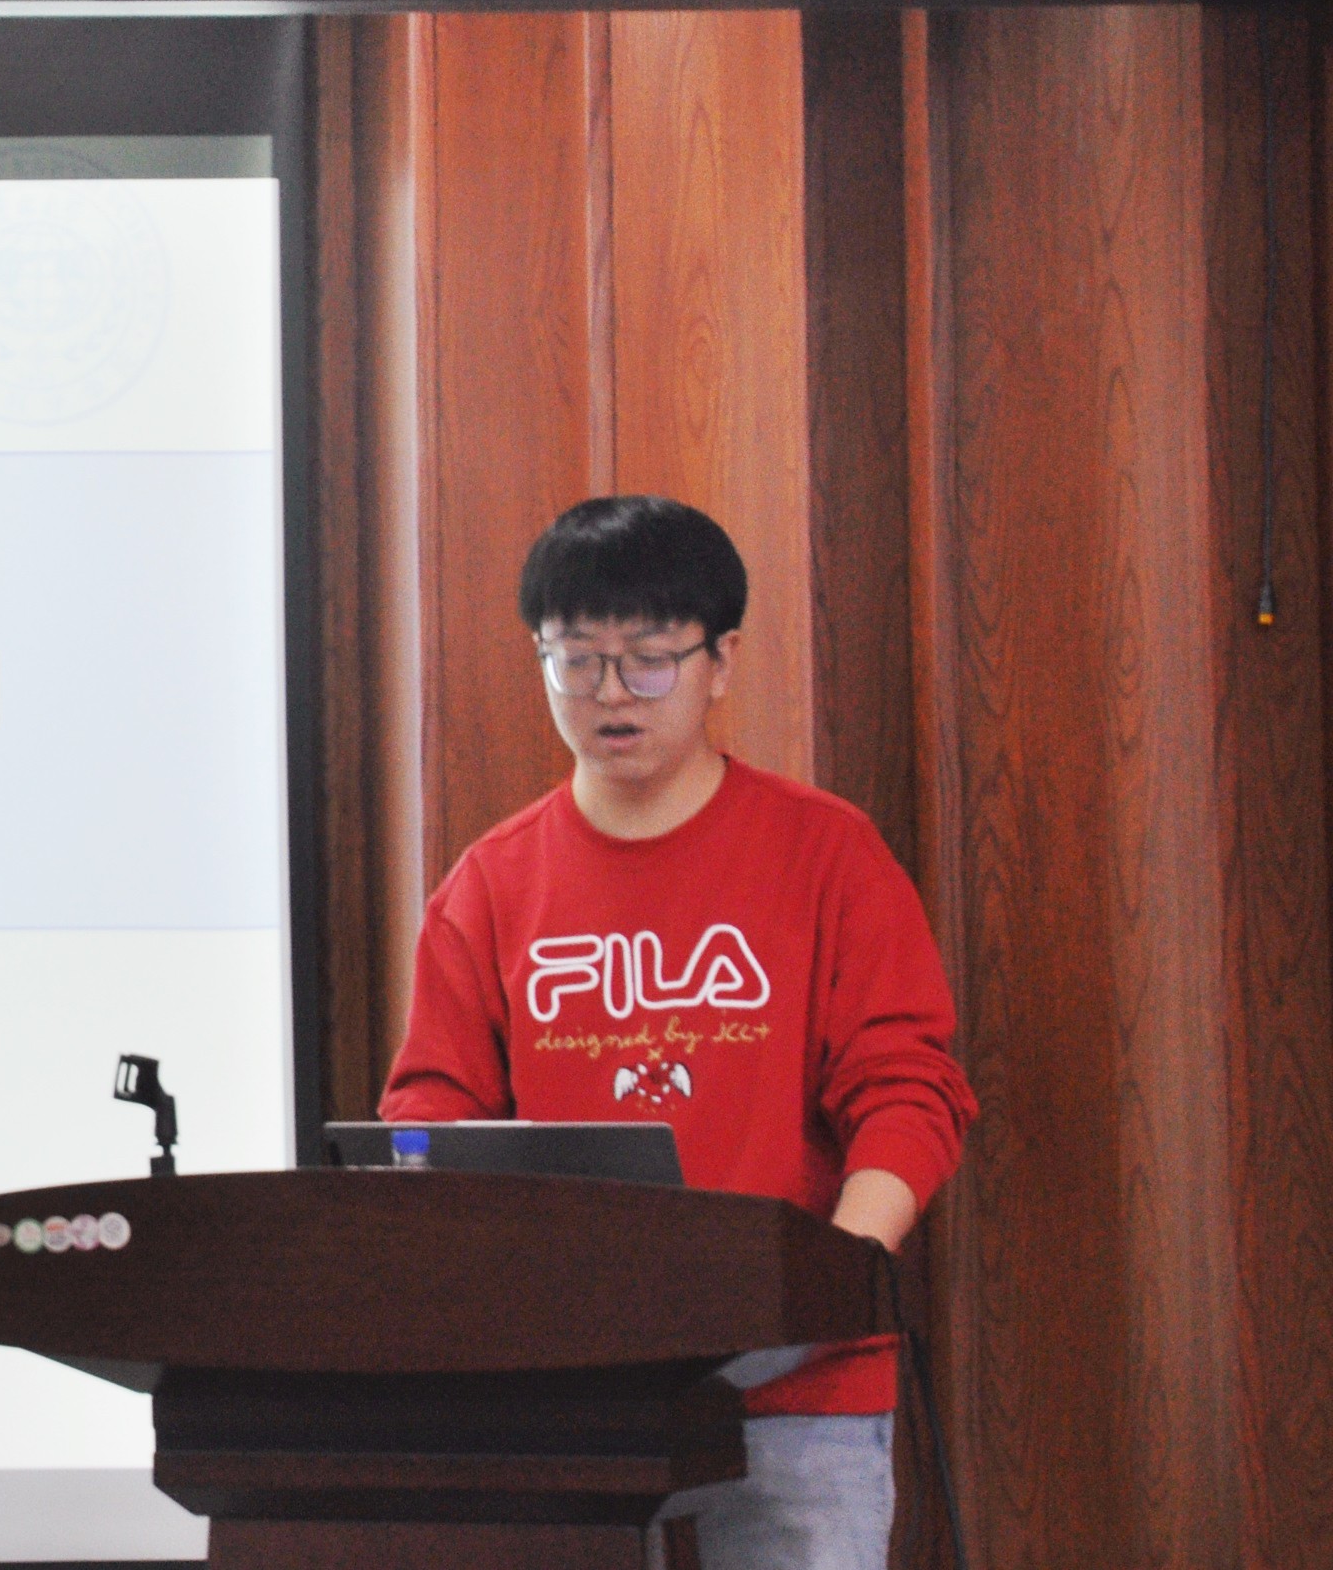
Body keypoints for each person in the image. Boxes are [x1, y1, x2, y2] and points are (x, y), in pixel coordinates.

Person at [380, 495, 975, 1570]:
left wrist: (838, 1268)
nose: (611, 693)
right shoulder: (490, 884)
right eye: (577, 660)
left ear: (721, 660)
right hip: (566, 1393)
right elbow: (430, 1114)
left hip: (801, 1392)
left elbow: (908, 1087)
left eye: (650, 660)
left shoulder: (826, 852)